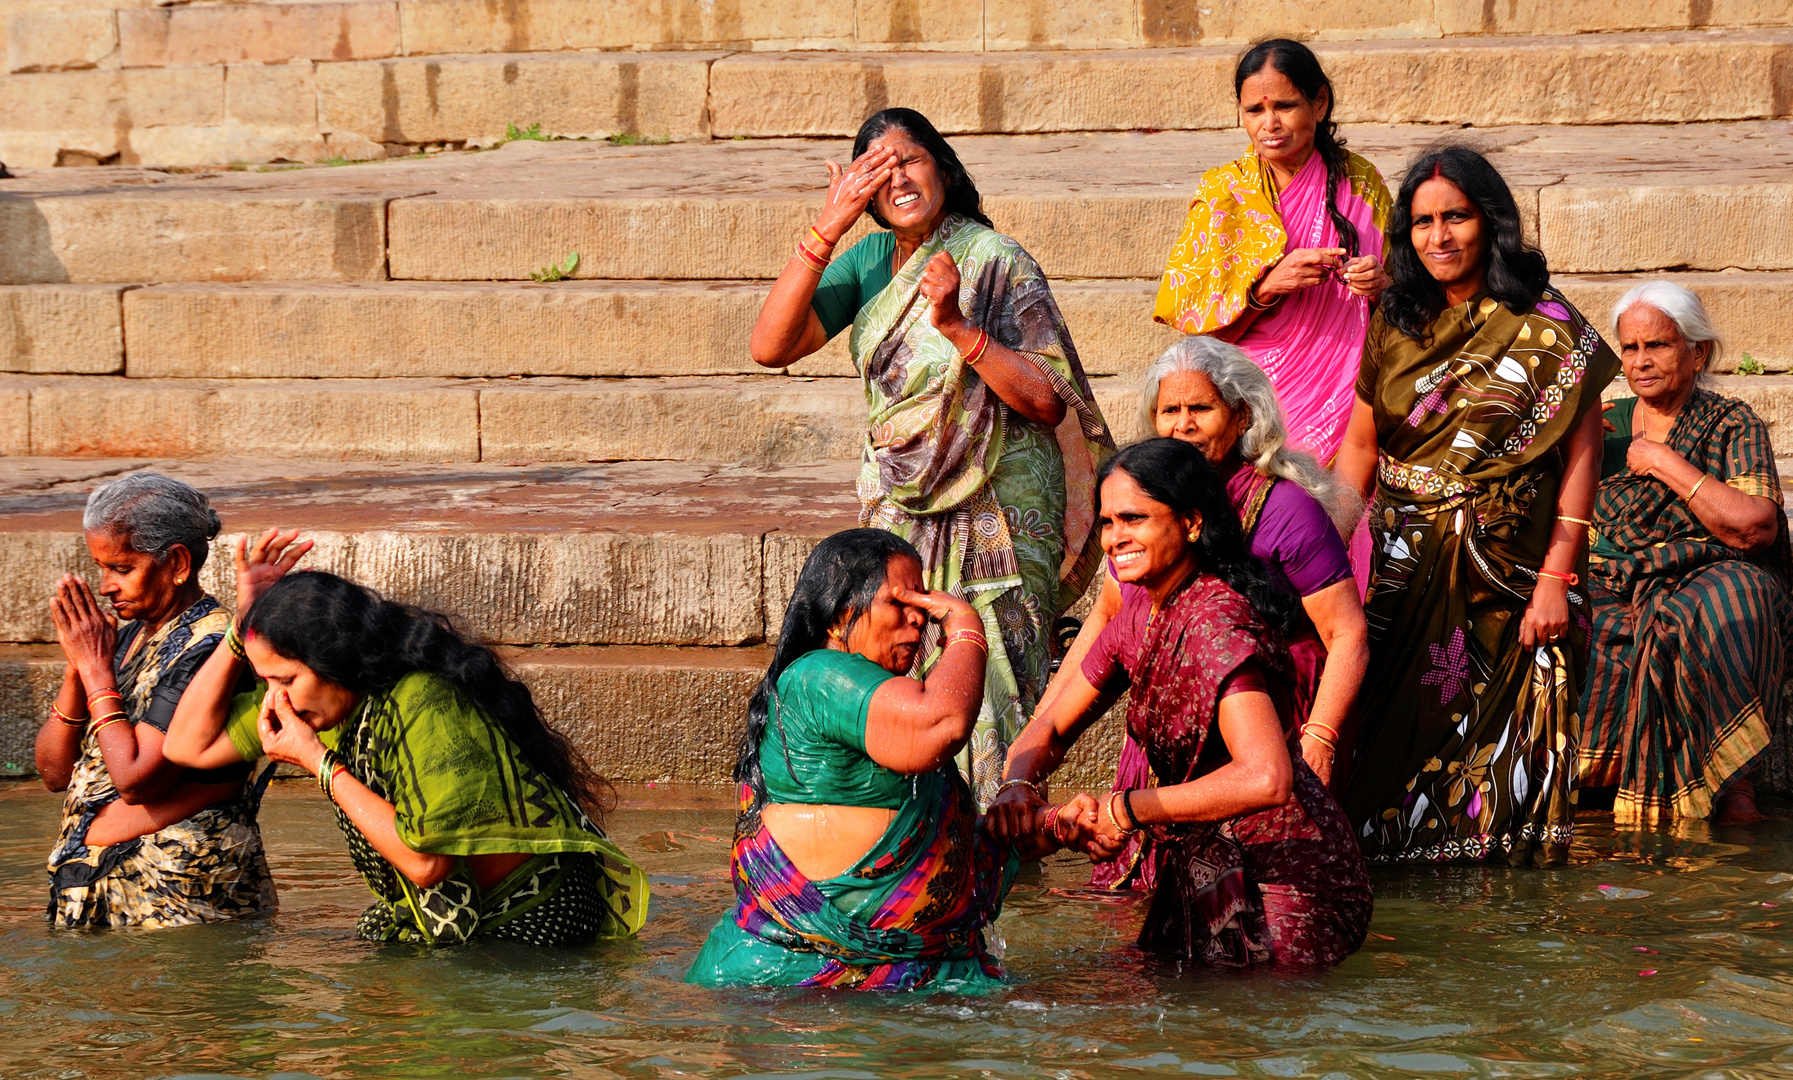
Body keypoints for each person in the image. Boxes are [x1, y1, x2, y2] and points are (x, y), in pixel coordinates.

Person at [748, 107, 1114, 807]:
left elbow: (1044, 401)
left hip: (998, 514)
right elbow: (770, 346)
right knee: (893, 667)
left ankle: (998, 856)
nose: (897, 176)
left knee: (997, 690)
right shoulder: (863, 263)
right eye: (876, 169)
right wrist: (829, 227)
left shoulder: (996, 261)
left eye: (909, 158)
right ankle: (906, 844)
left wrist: (955, 327)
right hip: (898, 512)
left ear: (942, 168)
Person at [1334, 145, 1619, 866]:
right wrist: (1322, 547)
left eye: (1455, 217)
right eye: (1423, 222)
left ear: (1488, 222)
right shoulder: (1395, 322)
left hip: (1510, 573)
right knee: (1392, 729)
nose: (1439, 237)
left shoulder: (1546, 325)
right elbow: (1359, 454)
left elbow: (1581, 457)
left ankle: (1498, 886)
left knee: (1499, 739)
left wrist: (1557, 578)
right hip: (1402, 567)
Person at [991, 439, 1372, 968]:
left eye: (1134, 519)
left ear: (1192, 524)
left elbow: (1267, 778)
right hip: (1206, 862)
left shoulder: (1214, 624)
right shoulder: (1139, 615)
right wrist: (1018, 787)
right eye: (1106, 522)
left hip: (1284, 877)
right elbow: (1054, 724)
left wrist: (1126, 809)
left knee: (1245, 1034)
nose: (1114, 539)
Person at [163, 531, 647, 946]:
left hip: (529, 918)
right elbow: (185, 747)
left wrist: (318, 763)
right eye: (265, 680)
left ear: (335, 662)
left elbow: (425, 863)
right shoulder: (312, 703)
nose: (276, 700)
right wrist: (242, 626)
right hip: (439, 922)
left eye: (285, 680)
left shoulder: (422, 701)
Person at [686, 529, 1092, 991]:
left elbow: (933, 849)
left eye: (922, 606)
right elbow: (942, 723)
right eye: (899, 604)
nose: (918, 620)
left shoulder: (879, 707)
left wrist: (1049, 828)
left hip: (899, 986)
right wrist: (963, 624)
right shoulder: (817, 676)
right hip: (796, 996)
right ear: (841, 613)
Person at [1040, 337, 1369, 890]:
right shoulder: (1139, 515)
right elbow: (1106, 621)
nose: (1183, 424)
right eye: (1170, 410)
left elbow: (1347, 633)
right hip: (1172, 711)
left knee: (1259, 894)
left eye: (1201, 409)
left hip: (1269, 714)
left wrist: (1321, 739)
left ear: (1241, 416)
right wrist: (1033, 744)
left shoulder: (1285, 509)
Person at [1580, 281, 1790, 826]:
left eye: (1659, 346)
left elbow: (1756, 526)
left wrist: (1663, 462)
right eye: (1630, 349)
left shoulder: (1730, 422)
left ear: (1697, 353)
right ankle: (1598, 790)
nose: (1642, 362)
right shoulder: (1602, 423)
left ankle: (1732, 783)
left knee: (1731, 602)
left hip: (1710, 569)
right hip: (1614, 577)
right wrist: (1568, 445)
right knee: (1584, 620)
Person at [37, 473, 276, 929]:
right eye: (101, 568)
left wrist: (95, 673)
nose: (106, 586)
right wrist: (77, 668)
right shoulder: (125, 639)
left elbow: (136, 780)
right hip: (107, 889)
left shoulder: (213, 646)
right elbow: (53, 774)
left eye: (122, 569)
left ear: (178, 562)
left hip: (183, 899)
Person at [1153, 38, 1392, 468]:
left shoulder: (1362, 182)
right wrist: (1266, 287)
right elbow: (1194, 321)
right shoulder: (1223, 191)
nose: (1270, 123)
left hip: (1350, 384)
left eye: (1284, 105)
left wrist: (1380, 283)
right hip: (1253, 392)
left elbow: (1414, 291)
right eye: (1255, 111)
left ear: (1319, 104)